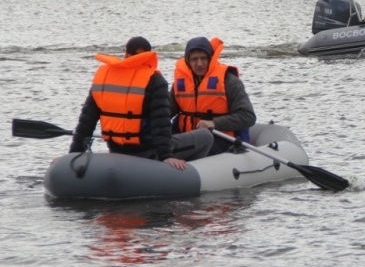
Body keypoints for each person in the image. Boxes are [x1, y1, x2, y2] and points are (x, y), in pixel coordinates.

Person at [69, 36, 214, 170]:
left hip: (115, 150)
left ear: (126, 54)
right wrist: (166, 156)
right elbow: (160, 123)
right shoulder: (155, 80)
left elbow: (86, 122)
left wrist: (74, 153)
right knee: (206, 136)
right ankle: (186, 175)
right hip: (148, 153)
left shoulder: (104, 78)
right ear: (148, 55)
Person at [171, 36, 256, 156]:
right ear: (188, 61)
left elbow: (248, 116)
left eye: (203, 58)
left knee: (197, 142)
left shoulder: (229, 81)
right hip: (187, 137)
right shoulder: (180, 83)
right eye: (194, 59)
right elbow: (165, 111)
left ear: (211, 59)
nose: (199, 64)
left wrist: (214, 123)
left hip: (220, 139)